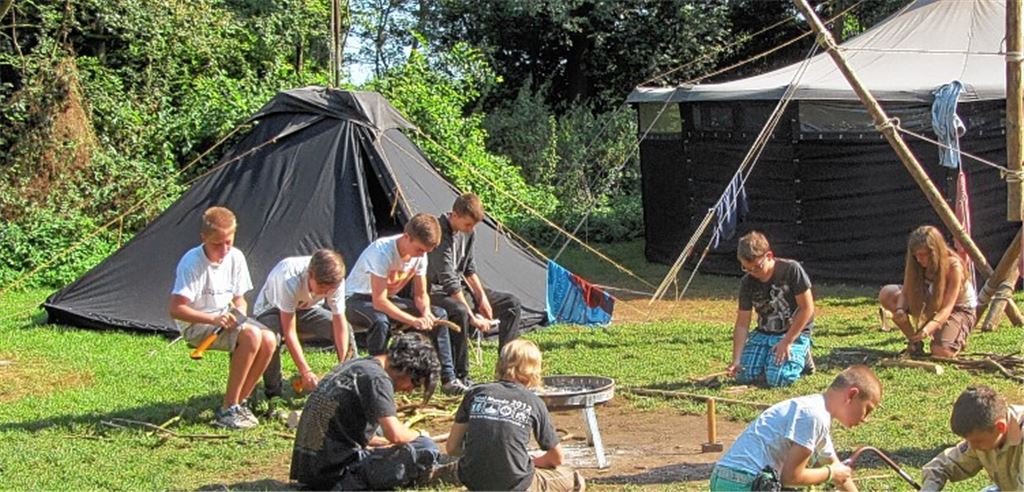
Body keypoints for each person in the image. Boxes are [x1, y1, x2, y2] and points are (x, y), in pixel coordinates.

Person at [168, 206, 277, 429]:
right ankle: (228, 408)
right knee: (252, 336)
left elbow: (240, 300)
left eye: (229, 242)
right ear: (203, 238)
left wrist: (239, 313)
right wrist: (215, 321)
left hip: (225, 319)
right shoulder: (191, 262)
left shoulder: (235, 257)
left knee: (270, 339)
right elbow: (176, 309)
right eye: (218, 244)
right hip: (197, 325)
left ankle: (239, 402)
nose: (225, 249)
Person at [290, 333, 443, 490]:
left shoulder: (359, 365)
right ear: (408, 369)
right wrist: (419, 434)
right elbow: (395, 434)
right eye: (415, 384)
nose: (410, 391)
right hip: (335, 475)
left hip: (310, 469)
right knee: (426, 447)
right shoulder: (378, 379)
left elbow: (360, 434)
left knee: (381, 432)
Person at [345, 213, 465, 395]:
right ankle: (377, 379)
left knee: (438, 313)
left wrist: (425, 312)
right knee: (380, 320)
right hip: (356, 299)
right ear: (407, 237)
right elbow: (379, 301)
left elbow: (421, 294)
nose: (422, 254)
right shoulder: (382, 252)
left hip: (386, 300)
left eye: (425, 251)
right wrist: (413, 320)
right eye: (419, 249)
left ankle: (448, 379)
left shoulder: (420, 256)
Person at [710, 365, 882, 491]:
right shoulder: (813, 416)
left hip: (727, 477)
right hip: (744, 482)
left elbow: (840, 473)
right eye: (867, 409)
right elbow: (791, 477)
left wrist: (836, 472)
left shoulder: (817, 412)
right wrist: (831, 473)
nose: (865, 419)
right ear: (851, 395)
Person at [446, 339, 585, 492]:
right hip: (514, 483)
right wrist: (533, 461)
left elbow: (452, 448)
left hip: (473, 481)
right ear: (534, 370)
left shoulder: (475, 393)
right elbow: (557, 458)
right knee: (574, 478)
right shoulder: (534, 402)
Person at [427, 192, 523, 387]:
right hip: (435, 291)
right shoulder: (439, 233)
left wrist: (482, 299)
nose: (469, 229)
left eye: (472, 226)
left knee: (511, 304)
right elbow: (448, 280)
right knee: (460, 311)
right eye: (467, 225)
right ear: (454, 215)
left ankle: (507, 369)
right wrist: (472, 316)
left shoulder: (468, 233)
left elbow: (469, 269)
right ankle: (461, 375)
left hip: (460, 288)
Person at [252, 249, 355, 397]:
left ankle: (350, 380)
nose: (325, 294)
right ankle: (274, 394)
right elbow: (289, 332)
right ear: (310, 275)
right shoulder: (289, 278)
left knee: (348, 329)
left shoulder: (335, 280)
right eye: (322, 288)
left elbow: (339, 321)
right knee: (272, 338)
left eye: (329, 290)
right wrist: (305, 371)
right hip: (272, 309)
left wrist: (342, 365)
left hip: (306, 309)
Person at [726, 231, 816, 387]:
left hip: (792, 332)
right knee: (743, 376)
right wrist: (736, 360)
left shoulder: (791, 270)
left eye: (757, 267)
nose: (753, 273)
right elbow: (742, 323)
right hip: (764, 333)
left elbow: (807, 308)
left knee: (779, 379)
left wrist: (788, 341)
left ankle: (803, 355)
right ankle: (768, 358)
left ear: (769, 256)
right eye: (747, 268)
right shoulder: (747, 282)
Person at [879, 225, 977, 358]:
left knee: (941, 352)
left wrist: (927, 330)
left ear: (935, 252)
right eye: (916, 256)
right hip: (930, 301)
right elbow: (906, 292)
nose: (919, 260)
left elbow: (947, 308)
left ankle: (955, 338)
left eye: (923, 255)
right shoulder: (916, 264)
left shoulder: (953, 266)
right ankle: (915, 342)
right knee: (887, 293)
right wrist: (900, 310)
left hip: (957, 309)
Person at [921, 385, 1024, 491]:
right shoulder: (985, 434)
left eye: (978, 441)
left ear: (1000, 427)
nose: (973, 447)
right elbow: (940, 466)